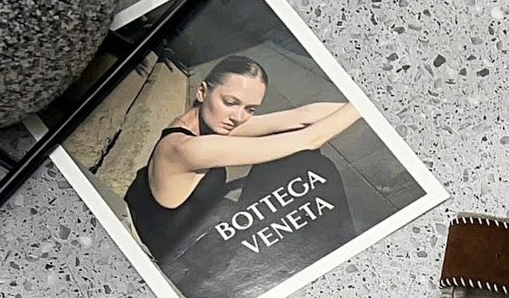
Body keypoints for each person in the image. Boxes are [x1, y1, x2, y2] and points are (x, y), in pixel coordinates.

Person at [124, 54, 362, 266]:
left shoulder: (200, 125)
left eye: (250, 109)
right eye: (230, 103)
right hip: (188, 263)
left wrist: (367, 104)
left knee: (302, 164)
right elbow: (309, 139)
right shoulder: (187, 148)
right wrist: (364, 106)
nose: (238, 117)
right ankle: (347, 254)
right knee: (314, 166)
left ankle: (340, 252)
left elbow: (300, 117)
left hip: (205, 236)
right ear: (202, 92)